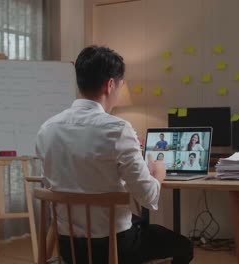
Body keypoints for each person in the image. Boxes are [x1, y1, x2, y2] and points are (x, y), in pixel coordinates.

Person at [35, 46, 193, 264]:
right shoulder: (118, 129)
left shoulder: (47, 129)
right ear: (110, 84)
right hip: (114, 248)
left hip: (69, 247)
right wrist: (158, 172)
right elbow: (147, 196)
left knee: (136, 222)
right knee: (184, 246)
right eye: (121, 85)